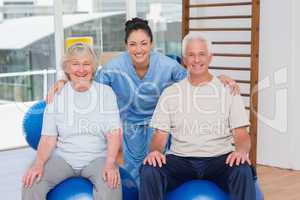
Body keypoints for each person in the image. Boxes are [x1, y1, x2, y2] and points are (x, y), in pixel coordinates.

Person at [46, 18, 240, 184]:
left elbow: (195, 74)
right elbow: (88, 81)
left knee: (155, 163)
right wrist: (64, 80)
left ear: (151, 44)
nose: (139, 49)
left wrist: (219, 78)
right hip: (131, 122)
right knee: (133, 167)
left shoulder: (166, 64)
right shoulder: (114, 67)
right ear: (126, 46)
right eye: (133, 44)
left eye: (144, 43)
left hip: (159, 123)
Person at [140, 32, 256, 200]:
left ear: (210, 57)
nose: (196, 60)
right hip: (180, 160)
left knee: (243, 168)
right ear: (184, 59)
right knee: (150, 169)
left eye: (201, 54)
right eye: (191, 55)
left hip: (219, 159)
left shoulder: (228, 90)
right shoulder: (170, 93)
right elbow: (160, 137)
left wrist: (241, 151)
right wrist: (155, 152)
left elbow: (241, 134)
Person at [22, 43, 122, 200]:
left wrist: (110, 163)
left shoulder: (106, 93)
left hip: (97, 158)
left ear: (93, 67)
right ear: (67, 68)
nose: (81, 70)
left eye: (86, 64)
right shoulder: (56, 96)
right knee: (32, 182)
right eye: (75, 64)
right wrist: (38, 163)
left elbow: (113, 133)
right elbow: (48, 138)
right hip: (64, 158)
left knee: (111, 184)